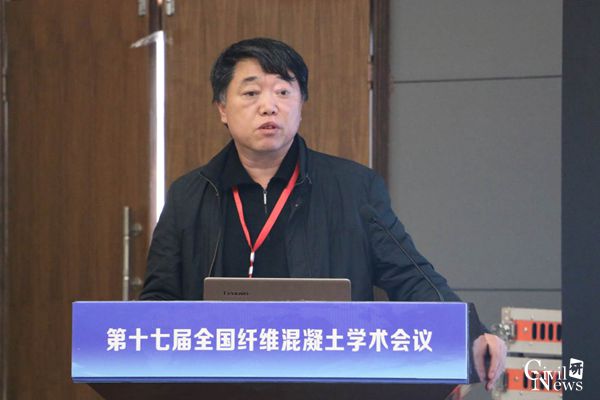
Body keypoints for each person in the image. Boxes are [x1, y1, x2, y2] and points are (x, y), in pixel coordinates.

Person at [140, 37, 506, 390]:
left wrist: (470, 333)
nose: (269, 106)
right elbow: (158, 300)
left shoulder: (354, 188)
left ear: (301, 104)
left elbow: (410, 275)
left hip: (326, 379)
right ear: (222, 108)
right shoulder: (189, 195)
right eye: (251, 93)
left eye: (283, 92)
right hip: (216, 380)